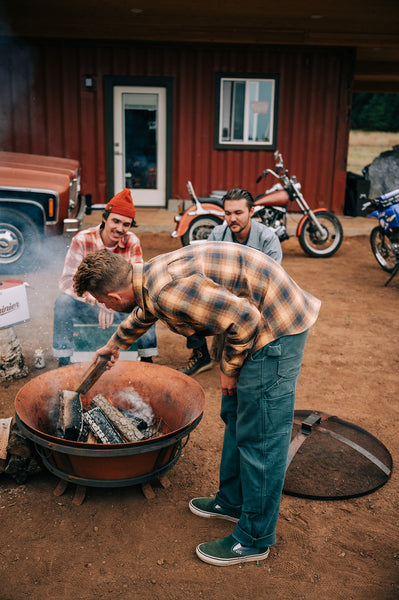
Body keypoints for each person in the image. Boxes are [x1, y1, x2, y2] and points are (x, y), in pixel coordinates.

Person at [73, 243, 320, 567]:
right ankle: (232, 502)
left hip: (274, 330)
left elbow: (246, 319)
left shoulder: (166, 291)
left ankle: (254, 539)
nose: (105, 305)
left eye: (103, 301)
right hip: (256, 320)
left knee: (261, 437)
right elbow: (146, 311)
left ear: (114, 298)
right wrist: (114, 345)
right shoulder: (147, 276)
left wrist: (228, 371)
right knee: (236, 417)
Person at [179, 188, 283, 376]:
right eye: (228, 213)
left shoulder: (268, 239)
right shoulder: (218, 235)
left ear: (251, 212)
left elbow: (271, 284)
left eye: (238, 213)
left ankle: (255, 357)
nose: (232, 219)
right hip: (225, 297)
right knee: (187, 299)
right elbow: (205, 272)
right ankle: (201, 354)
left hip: (256, 301)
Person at [52, 188, 158, 367]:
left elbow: (138, 283)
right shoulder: (82, 239)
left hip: (121, 308)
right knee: (63, 302)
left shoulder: (132, 242)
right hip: (89, 305)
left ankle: (147, 358)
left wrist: (114, 305)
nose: (119, 229)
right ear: (104, 218)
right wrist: (99, 301)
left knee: (147, 299)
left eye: (126, 224)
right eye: (115, 221)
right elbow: (67, 281)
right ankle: (64, 359)